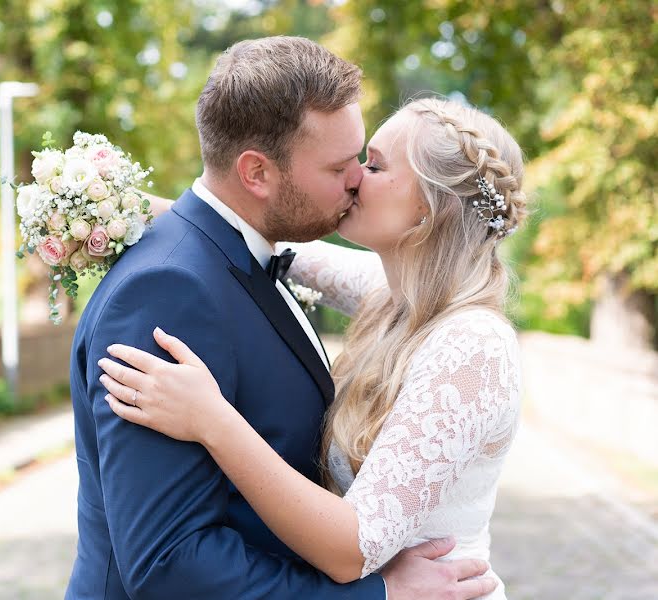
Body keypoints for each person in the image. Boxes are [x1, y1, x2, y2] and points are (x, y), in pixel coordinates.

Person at [67, 36, 497, 600]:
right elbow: (169, 563)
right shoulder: (167, 291)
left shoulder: (252, 256)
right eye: (341, 166)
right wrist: (377, 596)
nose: (356, 181)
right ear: (256, 174)